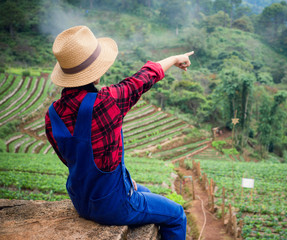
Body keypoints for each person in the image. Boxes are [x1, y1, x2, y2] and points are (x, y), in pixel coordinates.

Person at [45, 25, 193, 240]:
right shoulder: (106, 102)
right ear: (96, 73)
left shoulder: (52, 114)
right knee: (177, 214)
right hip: (111, 205)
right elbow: (143, 78)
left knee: (147, 194)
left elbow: (74, 161)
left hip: (81, 199)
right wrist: (174, 58)